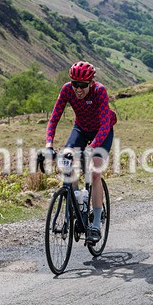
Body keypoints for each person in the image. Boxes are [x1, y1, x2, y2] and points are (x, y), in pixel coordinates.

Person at [45, 61, 116, 244]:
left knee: (94, 172)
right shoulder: (67, 90)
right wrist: (49, 144)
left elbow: (105, 124)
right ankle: (79, 203)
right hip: (81, 129)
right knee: (68, 164)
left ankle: (96, 225)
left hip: (102, 131)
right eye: (75, 84)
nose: (78, 89)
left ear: (91, 83)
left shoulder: (99, 91)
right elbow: (54, 118)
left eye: (83, 85)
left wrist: (92, 149)